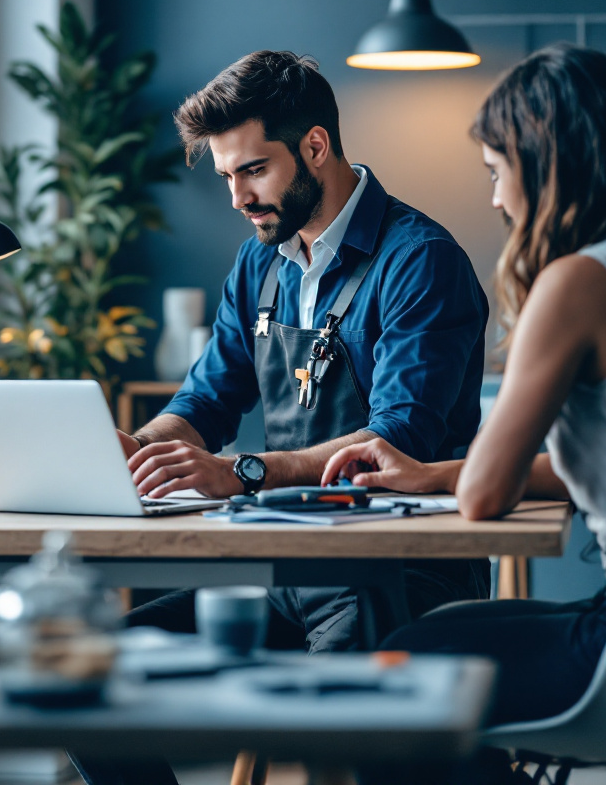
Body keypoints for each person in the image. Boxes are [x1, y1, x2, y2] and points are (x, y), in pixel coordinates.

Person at [322, 43, 606, 783]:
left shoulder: (579, 281)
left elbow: (487, 498)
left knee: (396, 676)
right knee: (436, 635)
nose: (495, 200)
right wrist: (428, 474)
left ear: (546, 163)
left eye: (496, 172)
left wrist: (456, 478)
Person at [119, 49, 491, 651]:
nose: (237, 197)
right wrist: (138, 451)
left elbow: (396, 442)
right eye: (227, 177)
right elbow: (207, 401)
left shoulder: (421, 261)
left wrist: (243, 472)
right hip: (282, 569)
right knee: (92, 669)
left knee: (326, 724)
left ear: (315, 146)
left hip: (399, 572)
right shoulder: (258, 260)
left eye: (254, 171)